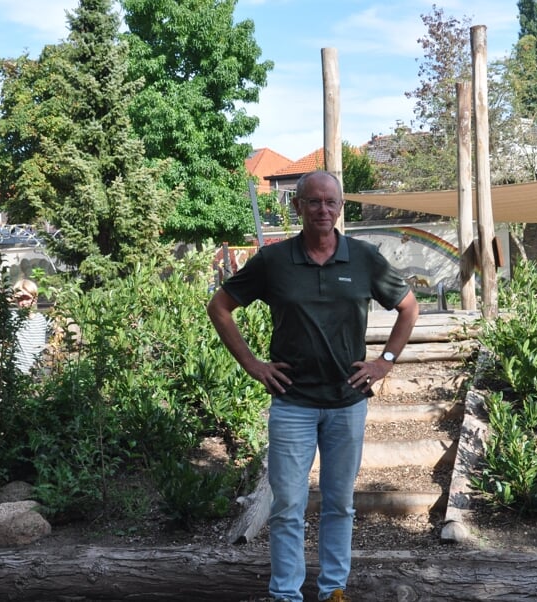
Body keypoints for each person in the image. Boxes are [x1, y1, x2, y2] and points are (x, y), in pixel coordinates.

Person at [207, 170, 419, 602]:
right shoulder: (274, 261)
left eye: (331, 202)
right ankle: (286, 594)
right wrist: (252, 364)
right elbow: (220, 307)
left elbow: (408, 307)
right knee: (287, 507)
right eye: (314, 202)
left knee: (340, 505)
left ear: (340, 208)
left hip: (347, 403)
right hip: (293, 404)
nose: (323, 210)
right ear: (298, 206)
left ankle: (332, 591)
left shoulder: (363, 258)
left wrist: (385, 362)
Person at [12, 278, 50, 374]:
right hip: (17, 372)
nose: (23, 302)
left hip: (38, 372)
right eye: (20, 299)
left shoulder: (42, 319)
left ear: (35, 299)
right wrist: (10, 297)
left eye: (27, 298)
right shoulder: (13, 318)